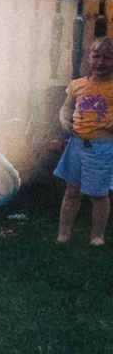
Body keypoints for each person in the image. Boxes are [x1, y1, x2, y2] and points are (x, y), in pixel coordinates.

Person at [55, 36, 113, 246]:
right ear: (89, 58)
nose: (100, 62)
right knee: (71, 192)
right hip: (77, 146)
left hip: (102, 148)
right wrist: (64, 119)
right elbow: (66, 107)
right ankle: (63, 235)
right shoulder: (78, 85)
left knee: (99, 195)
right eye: (96, 56)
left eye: (108, 58)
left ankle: (97, 236)